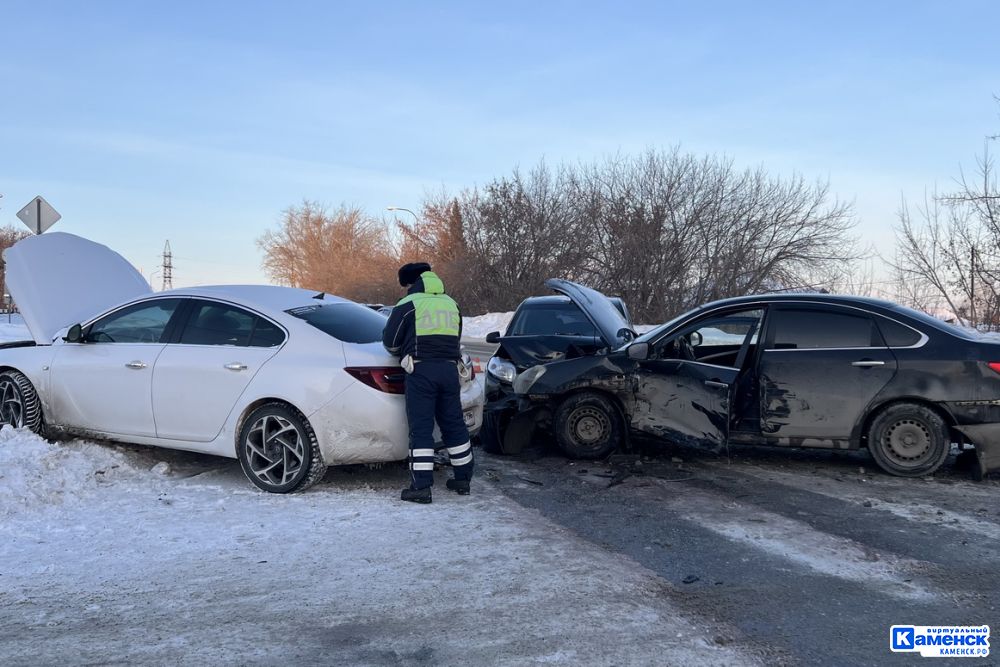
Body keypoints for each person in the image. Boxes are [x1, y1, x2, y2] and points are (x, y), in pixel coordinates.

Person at [383, 262, 473, 503]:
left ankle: (421, 487)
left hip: (421, 370)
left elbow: (390, 342)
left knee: (421, 428)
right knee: (454, 424)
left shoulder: (408, 305)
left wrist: (405, 349)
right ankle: (463, 479)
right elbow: (456, 337)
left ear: (411, 283)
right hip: (449, 370)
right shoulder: (452, 304)